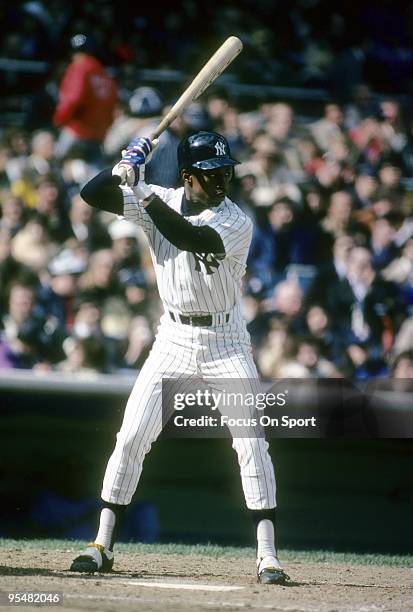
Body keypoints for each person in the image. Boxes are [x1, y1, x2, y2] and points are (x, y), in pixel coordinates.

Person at [69, 131, 289, 585]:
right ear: (188, 177)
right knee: (131, 436)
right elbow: (92, 194)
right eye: (211, 174)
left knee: (251, 444)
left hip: (226, 339)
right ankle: (101, 544)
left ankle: (267, 555)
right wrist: (122, 166)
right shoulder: (160, 198)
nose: (223, 180)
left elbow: (188, 236)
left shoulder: (234, 220)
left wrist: (141, 188)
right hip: (172, 337)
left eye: (226, 171)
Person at [53, 34, 118, 168]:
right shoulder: (103, 73)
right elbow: (113, 102)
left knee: (56, 167)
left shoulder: (79, 67)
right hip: (98, 135)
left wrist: (58, 120)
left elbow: (73, 99)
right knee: (92, 177)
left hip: (77, 131)